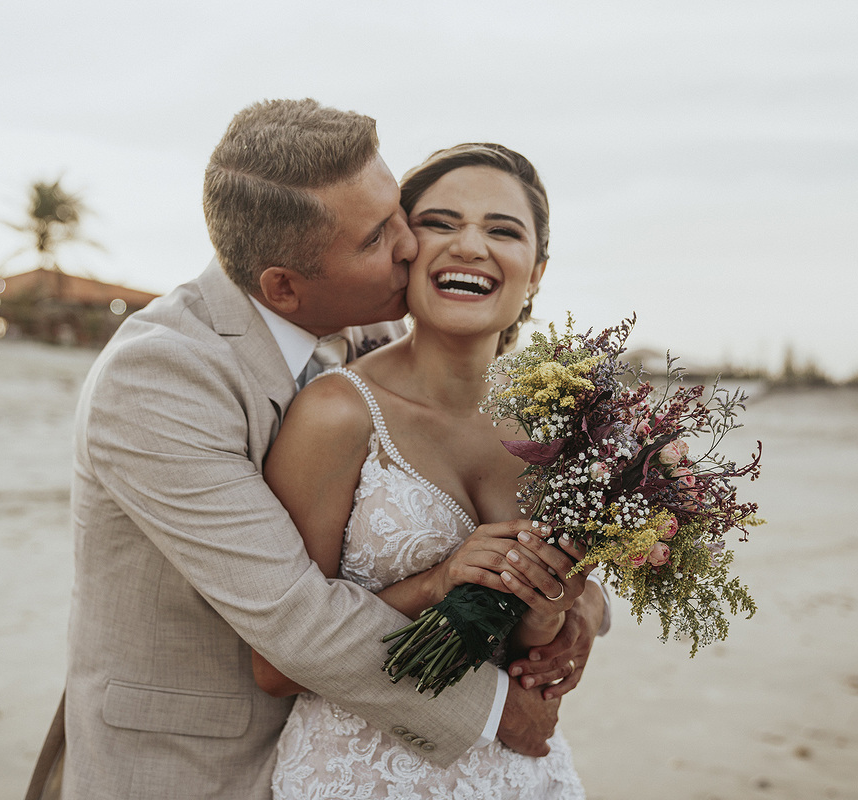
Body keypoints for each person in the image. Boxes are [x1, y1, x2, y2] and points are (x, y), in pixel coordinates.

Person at [25, 100, 607, 800]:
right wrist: (499, 712)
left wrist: (578, 609)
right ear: (283, 287)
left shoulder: (366, 330)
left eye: (398, 213)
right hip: (190, 764)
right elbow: (295, 617)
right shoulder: (158, 378)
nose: (409, 246)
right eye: (378, 236)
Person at [252, 143, 602, 798]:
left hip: (526, 772)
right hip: (362, 776)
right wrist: (438, 582)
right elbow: (276, 664)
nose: (470, 245)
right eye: (441, 223)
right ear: (403, 252)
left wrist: (569, 608)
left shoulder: (564, 426)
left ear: (536, 273)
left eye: (503, 231)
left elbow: (531, 640)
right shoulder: (336, 413)